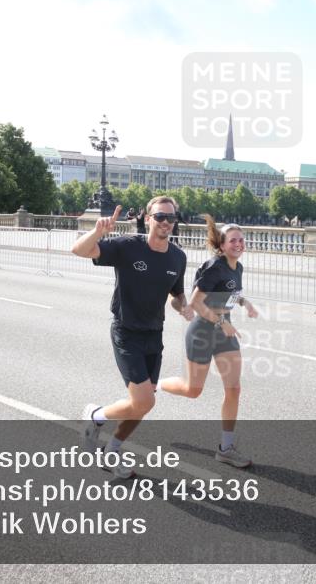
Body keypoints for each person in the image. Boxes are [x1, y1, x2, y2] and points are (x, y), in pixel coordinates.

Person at [72, 196, 193, 478]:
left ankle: (112, 450)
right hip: (126, 332)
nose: (165, 222)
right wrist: (97, 232)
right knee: (144, 402)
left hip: (154, 334)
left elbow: (176, 296)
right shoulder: (128, 247)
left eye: (170, 218)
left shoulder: (178, 256)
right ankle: (96, 416)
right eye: (160, 217)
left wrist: (184, 308)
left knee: (142, 404)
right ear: (148, 219)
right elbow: (79, 250)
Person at [160, 215, 258, 468]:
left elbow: (230, 293)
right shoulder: (214, 265)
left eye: (241, 240)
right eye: (233, 240)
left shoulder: (238, 267)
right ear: (222, 245)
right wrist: (222, 322)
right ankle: (157, 385)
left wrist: (245, 304)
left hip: (224, 334)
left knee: (234, 389)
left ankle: (226, 448)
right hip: (203, 332)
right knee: (193, 390)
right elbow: (195, 303)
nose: (239, 244)